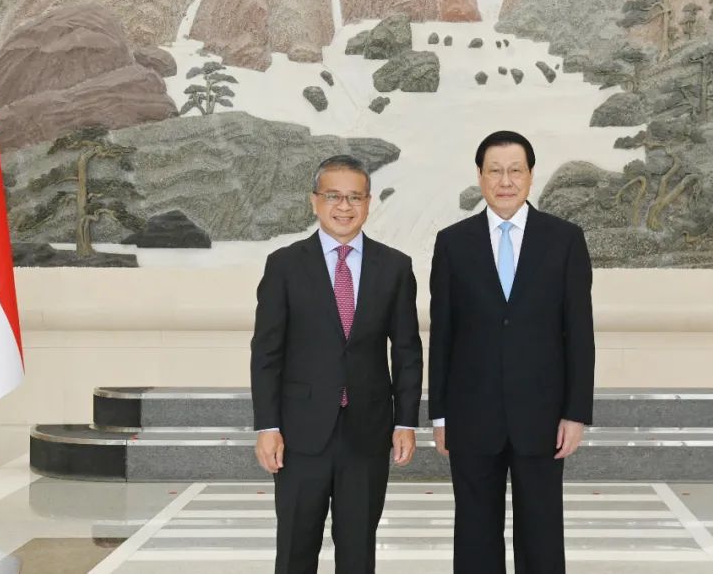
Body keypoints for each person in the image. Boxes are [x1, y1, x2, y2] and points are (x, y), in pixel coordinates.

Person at [429, 131, 595, 573]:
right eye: (495, 171)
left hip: (542, 417)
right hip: (470, 416)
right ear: (480, 176)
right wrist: (440, 415)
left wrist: (575, 412)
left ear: (531, 175)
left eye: (515, 170)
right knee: (475, 536)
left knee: (542, 536)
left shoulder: (564, 240)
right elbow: (443, 334)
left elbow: (579, 333)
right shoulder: (452, 243)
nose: (506, 181)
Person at [251, 154, 423, 574]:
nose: (344, 207)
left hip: (368, 433)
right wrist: (267, 427)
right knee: (295, 549)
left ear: (368, 203)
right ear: (314, 201)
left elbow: (406, 351)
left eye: (354, 197)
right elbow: (267, 353)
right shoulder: (284, 265)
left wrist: (405, 422)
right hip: (300, 434)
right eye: (333, 196)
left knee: (358, 551)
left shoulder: (395, 267)